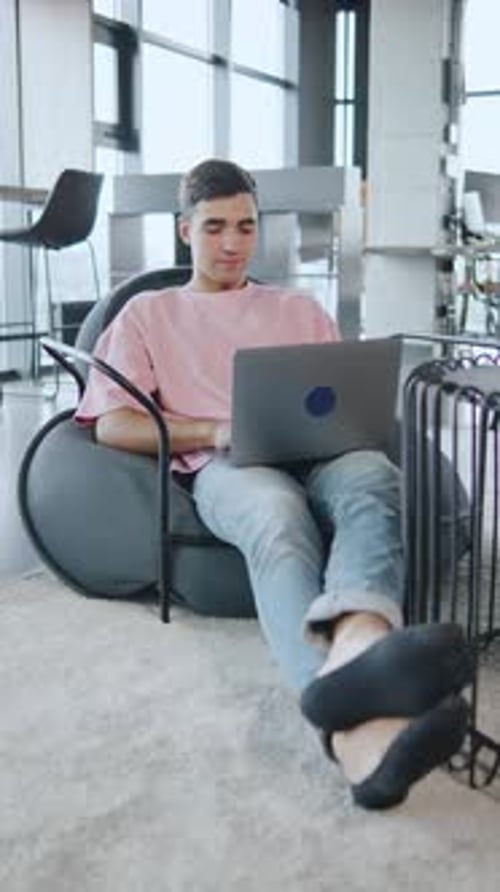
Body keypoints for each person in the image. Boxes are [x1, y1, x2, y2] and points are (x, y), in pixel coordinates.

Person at [76, 158, 472, 810]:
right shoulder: (148, 313)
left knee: (376, 477)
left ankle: (359, 644)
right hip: (225, 463)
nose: (232, 243)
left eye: (246, 226)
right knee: (278, 515)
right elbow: (112, 425)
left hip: (321, 453)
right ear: (185, 230)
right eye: (214, 227)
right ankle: (355, 720)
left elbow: (342, 399)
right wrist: (212, 429)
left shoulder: (297, 307)